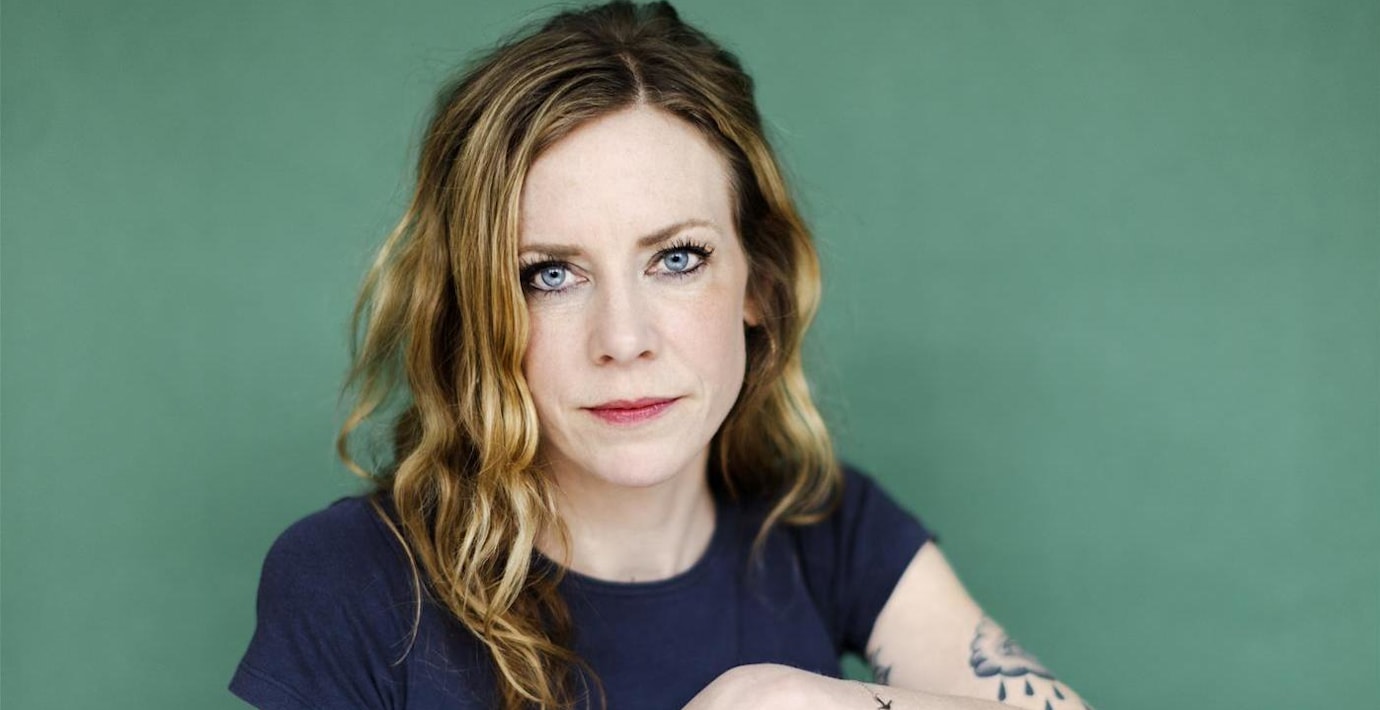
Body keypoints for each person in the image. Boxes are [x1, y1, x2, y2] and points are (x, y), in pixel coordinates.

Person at [229, 2, 1093, 708]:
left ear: (758, 283)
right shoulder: (353, 581)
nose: (623, 340)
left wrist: (799, 703)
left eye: (677, 258)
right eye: (549, 274)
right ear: (475, 308)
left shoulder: (822, 528)